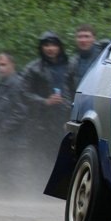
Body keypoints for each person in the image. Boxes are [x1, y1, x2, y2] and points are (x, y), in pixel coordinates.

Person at [22, 31, 70, 176]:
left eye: (53, 45)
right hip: (42, 124)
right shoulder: (33, 69)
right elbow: (23, 93)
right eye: (46, 45)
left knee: (66, 159)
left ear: (59, 47)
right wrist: (44, 101)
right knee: (42, 162)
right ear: (41, 48)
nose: (50, 49)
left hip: (65, 118)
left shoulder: (70, 65)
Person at [0, 52, 30, 193]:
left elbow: (21, 111)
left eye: (3, 64)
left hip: (16, 139)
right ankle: (6, 198)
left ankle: (19, 199)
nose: (0, 68)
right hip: (3, 138)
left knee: (15, 171)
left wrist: (3, 127)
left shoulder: (17, 84)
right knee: (2, 169)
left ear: (12, 65)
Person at [66, 24, 105, 92]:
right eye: (79, 37)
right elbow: (69, 86)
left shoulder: (103, 57)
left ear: (94, 38)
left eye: (87, 36)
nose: (83, 40)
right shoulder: (73, 62)